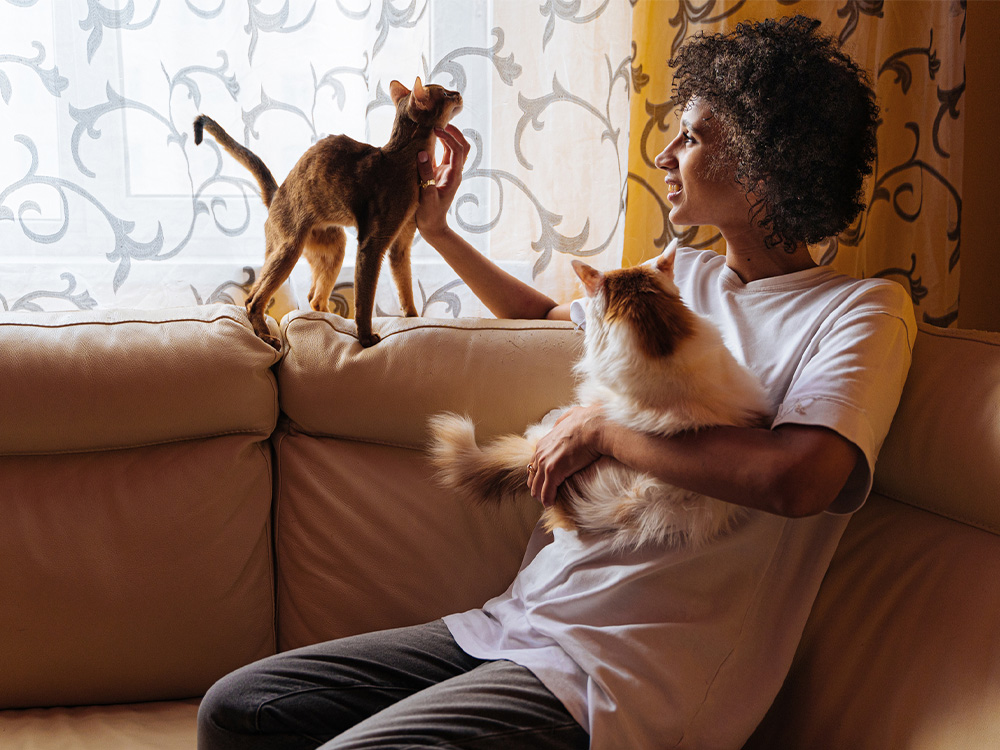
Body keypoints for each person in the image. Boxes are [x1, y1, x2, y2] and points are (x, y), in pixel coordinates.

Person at [198, 15, 915, 750]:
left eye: (693, 137)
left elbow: (801, 480)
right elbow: (545, 315)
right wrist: (440, 229)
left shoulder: (860, 311)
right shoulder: (683, 272)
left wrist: (605, 430)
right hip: (525, 619)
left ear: (768, 163)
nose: (666, 155)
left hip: (626, 671)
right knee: (240, 708)